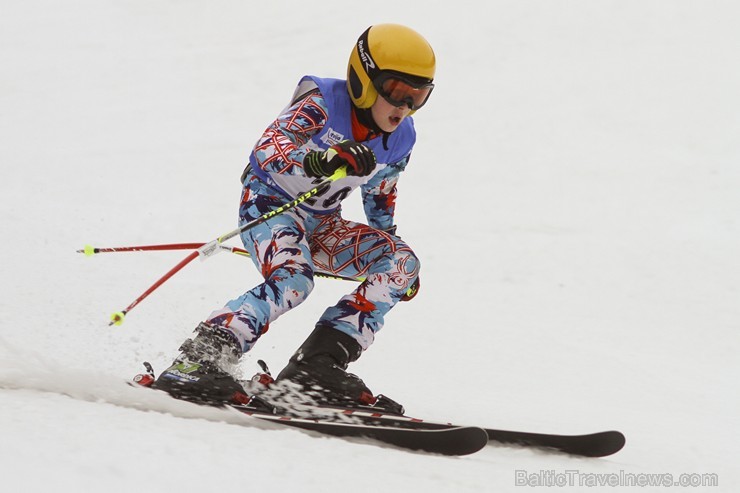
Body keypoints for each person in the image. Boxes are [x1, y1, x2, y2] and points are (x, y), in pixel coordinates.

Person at [153, 24, 436, 411]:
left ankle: (316, 367)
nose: (404, 107)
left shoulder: (401, 136)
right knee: (294, 280)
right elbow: (269, 147)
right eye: (397, 91)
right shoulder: (322, 102)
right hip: (269, 205)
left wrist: (389, 248)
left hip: (322, 223)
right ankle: (201, 356)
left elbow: (381, 191)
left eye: (419, 96)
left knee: (403, 264)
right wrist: (321, 159)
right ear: (364, 80)